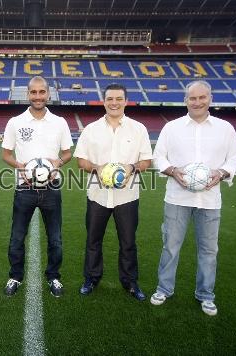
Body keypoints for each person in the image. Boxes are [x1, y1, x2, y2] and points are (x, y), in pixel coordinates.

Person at [150, 80, 236, 316]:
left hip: (210, 201)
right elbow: (158, 157)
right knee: (170, 247)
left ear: (210, 98)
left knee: (209, 250)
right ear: (185, 100)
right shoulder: (172, 127)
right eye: (192, 98)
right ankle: (164, 288)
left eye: (202, 97)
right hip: (177, 198)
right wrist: (172, 170)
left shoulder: (225, 128)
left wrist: (221, 173)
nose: (197, 102)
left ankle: (205, 295)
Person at [73, 83, 152, 301]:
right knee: (93, 240)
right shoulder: (91, 129)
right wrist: (97, 168)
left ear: (126, 101)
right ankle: (91, 278)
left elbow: (146, 160)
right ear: (104, 101)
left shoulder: (139, 129)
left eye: (119, 99)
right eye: (110, 99)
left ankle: (130, 282)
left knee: (128, 242)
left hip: (127, 197)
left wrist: (131, 168)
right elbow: (81, 160)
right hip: (97, 195)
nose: (114, 103)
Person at [1, 76, 73, 297]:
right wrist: (20, 166)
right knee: (17, 237)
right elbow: (5, 154)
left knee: (55, 238)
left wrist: (58, 162)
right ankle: (15, 275)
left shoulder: (60, 122)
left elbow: (68, 152)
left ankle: (53, 277)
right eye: (34, 92)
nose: (38, 96)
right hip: (25, 188)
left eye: (42, 92)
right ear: (28, 94)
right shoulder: (15, 122)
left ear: (48, 95)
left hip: (51, 188)